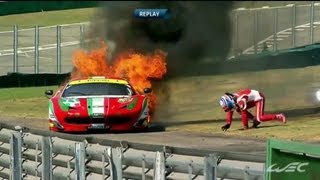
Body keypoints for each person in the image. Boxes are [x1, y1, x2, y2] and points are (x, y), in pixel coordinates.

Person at [219, 89, 286, 131]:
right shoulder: (234, 98)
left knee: (260, 118)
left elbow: (244, 113)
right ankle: (254, 119)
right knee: (238, 109)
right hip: (252, 99)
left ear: (230, 101)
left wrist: (246, 127)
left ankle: (279, 116)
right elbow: (230, 112)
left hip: (259, 98)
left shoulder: (240, 100)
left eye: (230, 106)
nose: (230, 109)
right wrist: (228, 123)